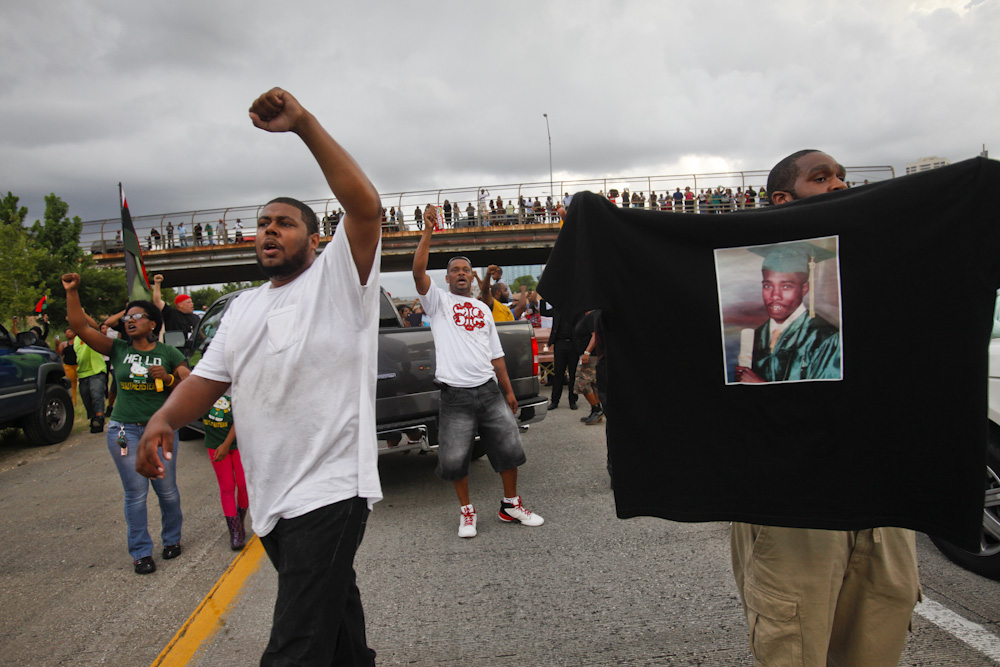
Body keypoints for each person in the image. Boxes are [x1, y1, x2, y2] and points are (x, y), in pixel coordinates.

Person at [135, 87, 383, 666]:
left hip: (330, 488)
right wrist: (165, 417)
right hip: (272, 498)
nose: (269, 230)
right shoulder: (242, 307)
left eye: (285, 224)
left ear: (316, 240)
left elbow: (365, 207)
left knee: (294, 646)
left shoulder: (339, 282)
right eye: (262, 223)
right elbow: (208, 379)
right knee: (336, 624)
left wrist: (303, 125)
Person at [729, 150, 919, 667]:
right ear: (782, 201)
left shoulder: (889, 258)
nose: (839, 184)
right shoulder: (729, 288)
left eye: (842, 176)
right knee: (795, 639)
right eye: (821, 177)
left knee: (878, 630)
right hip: (794, 501)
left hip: (881, 495)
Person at [413, 207, 544, 538]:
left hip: (488, 390)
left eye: (465, 270)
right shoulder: (438, 302)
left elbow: (496, 354)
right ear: (446, 278)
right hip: (455, 394)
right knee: (456, 457)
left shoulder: (483, 308)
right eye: (454, 270)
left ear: (472, 277)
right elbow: (417, 272)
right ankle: (467, 513)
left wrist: (509, 390)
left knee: (509, 447)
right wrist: (428, 231)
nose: (460, 273)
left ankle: (511, 505)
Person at [62, 272, 189, 575]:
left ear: (153, 324)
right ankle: (141, 553)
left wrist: (169, 377)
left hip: (160, 430)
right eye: (127, 317)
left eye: (137, 316)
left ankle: (172, 538)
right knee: (135, 492)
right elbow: (79, 326)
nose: (129, 321)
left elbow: (188, 385)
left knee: (166, 490)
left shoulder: (167, 352)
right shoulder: (117, 349)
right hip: (123, 430)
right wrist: (72, 292)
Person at [733, 241, 841, 383]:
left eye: (786, 287)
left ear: (804, 289)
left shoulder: (825, 338)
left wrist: (761, 385)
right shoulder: (756, 336)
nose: (775, 295)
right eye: (767, 285)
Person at [202, 394, 249, 550]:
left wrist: (226, 444)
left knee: (243, 485)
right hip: (214, 444)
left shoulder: (233, 387)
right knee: (227, 487)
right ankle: (235, 531)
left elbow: (240, 417)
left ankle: (240, 521)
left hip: (238, 444)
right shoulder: (205, 387)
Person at [74, 324, 109, 433]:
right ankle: (94, 418)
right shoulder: (76, 339)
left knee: (96, 395)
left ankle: (99, 418)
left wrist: (81, 313)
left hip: (96, 370)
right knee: (86, 397)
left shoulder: (91, 335)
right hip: (82, 373)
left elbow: (94, 325)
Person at [152, 275, 201, 342]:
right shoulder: (171, 314)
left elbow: (201, 333)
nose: (191, 304)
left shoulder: (196, 317)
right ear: (179, 305)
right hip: (175, 348)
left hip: (191, 349)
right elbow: (157, 301)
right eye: (188, 302)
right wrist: (157, 283)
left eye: (191, 302)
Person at [57, 328, 78, 406]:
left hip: (78, 365)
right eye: (66, 333)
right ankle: (73, 402)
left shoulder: (79, 343)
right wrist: (57, 344)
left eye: (70, 332)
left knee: (83, 383)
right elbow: (59, 354)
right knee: (71, 384)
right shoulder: (64, 344)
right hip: (68, 366)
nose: (67, 334)